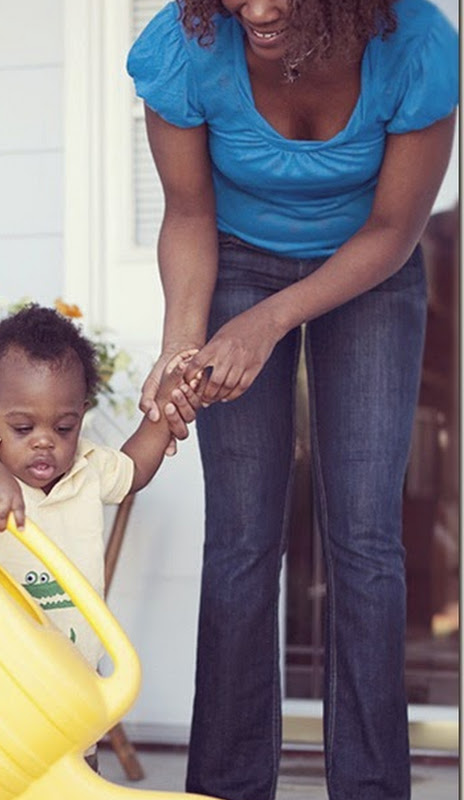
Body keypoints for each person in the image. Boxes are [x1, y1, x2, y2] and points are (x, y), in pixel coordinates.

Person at [127, 1, 458, 798]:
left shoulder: (416, 45)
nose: (260, 10)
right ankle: (226, 789)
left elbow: (392, 229)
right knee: (240, 540)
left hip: (369, 271)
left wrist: (266, 324)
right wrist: (183, 345)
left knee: (366, 541)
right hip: (236, 256)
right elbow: (189, 211)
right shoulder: (183, 44)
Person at [0, 304, 201, 770]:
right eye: (23, 428)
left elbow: (134, 470)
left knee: (73, 776)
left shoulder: (87, 468)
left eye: (63, 427)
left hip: (69, 689)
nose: (45, 440)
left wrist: (166, 410)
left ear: (81, 417)